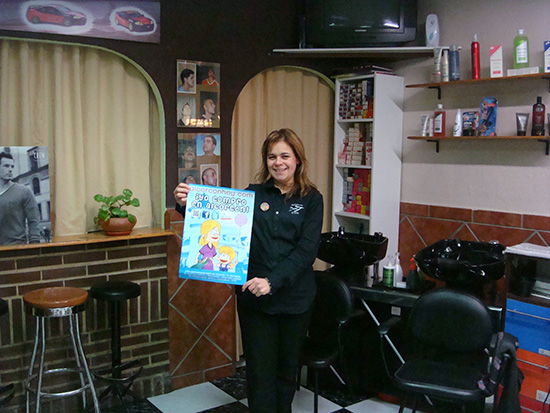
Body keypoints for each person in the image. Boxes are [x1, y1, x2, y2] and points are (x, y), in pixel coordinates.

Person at [173, 128, 323, 412]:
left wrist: (272, 280)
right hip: (255, 299)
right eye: (272, 157)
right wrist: (186, 204)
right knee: (259, 372)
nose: (278, 162)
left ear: (297, 159)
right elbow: (218, 217)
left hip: (296, 300)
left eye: (284, 156)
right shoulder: (253, 195)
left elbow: (306, 251)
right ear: (266, 161)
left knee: (286, 370)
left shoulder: (312, 199)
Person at [0, 152, 41, 245]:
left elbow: (34, 221)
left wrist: (34, 245)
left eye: (12, 166)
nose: (10, 169)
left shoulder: (24, 192)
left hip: (17, 247)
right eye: (6, 166)